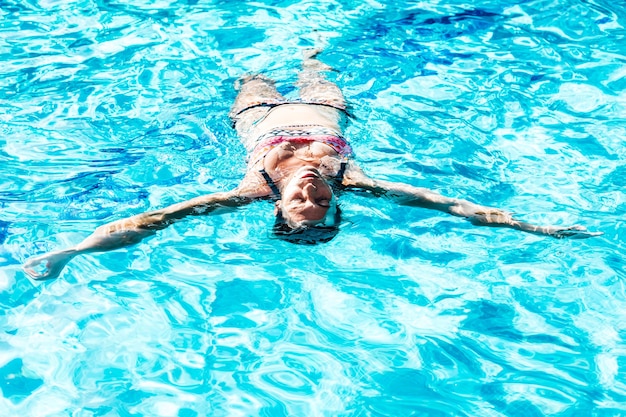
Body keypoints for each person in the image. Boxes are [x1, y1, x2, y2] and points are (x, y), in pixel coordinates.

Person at [23, 50, 601, 280]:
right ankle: (310, 48)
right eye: (320, 202)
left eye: (301, 203)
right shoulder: (356, 182)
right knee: (314, 61)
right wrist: (534, 226)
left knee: (248, 74)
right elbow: (453, 206)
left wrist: (68, 251)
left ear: (278, 206)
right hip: (325, 109)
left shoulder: (253, 187)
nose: (310, 191)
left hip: (256, 118)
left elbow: (153, 222)